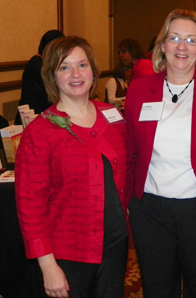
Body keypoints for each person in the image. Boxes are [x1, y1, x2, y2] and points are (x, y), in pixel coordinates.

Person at [124, 9, 196, 298]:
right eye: (174, 38)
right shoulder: (139, 90)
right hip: (150, 210)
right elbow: (130, 151)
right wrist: (128, 203)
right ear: (162, 45)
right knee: (157, 289)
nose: (182, 46)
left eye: (191, 40)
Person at [15, 36, 129, 298]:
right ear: (52, 76)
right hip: (67, 252)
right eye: (64, 67)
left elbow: (128, 171)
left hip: (114, 245)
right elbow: (29, 205)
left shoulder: (114, 118)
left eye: (82, 65)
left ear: (93, 71)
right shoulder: (40, 132)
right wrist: (47, 265)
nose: (76, 74)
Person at [15, 29, 65, 124]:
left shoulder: (41, 62)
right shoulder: (38, 64)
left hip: (38, 117)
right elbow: (56, 88)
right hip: (32, 119)